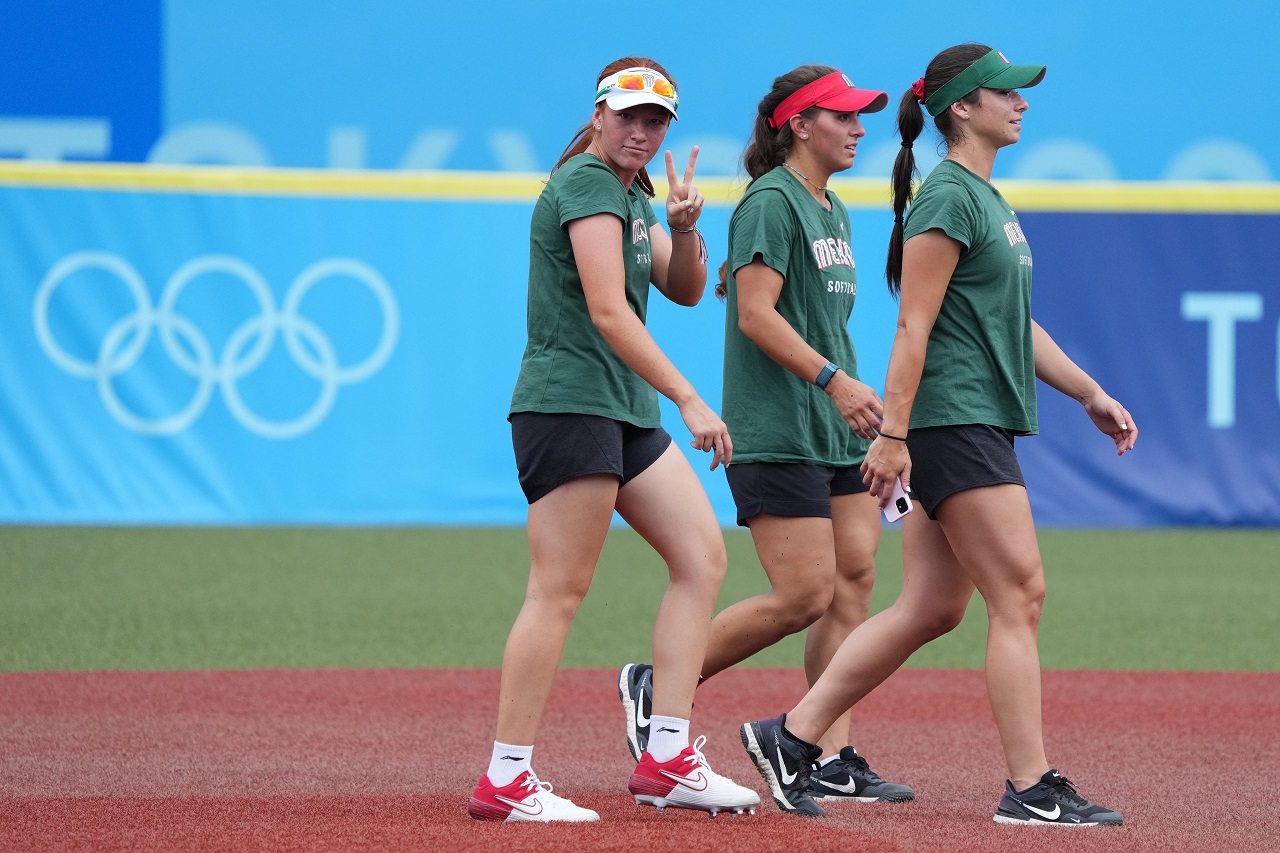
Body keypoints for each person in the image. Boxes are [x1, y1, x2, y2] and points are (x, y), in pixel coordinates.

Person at [739, 44, 1137, 826]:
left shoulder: (984, 198)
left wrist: (1089, 391)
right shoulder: (949, 198)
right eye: (1006, 94)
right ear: (963, 107)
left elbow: (1012, 323)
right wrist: (893, 434)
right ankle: (1031, 786)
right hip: (955, 420)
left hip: (971, 415)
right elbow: (912, 327)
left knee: (929, 607)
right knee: (1020, 591)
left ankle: (791, 737)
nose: (1021, 104)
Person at [467, 57, 759, 823]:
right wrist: (689, 396)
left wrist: (689, 232)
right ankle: (507, 774)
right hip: (569, 405)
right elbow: (607, 311)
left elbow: (685, 288)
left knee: (701, 558)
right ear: (598, 114)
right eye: (628, 114)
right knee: (558, 590)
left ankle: (666, 754)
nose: (641, 129)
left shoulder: (633, 194)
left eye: (656, 119)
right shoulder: (589, 184)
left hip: (622, 411)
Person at [619, 65, 914, 814]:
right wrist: (835, 380)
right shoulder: (770, 202)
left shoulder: (834, 209)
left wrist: (856, 405)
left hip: (834, 428)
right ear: (799, 125)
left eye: (860, 117)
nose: (857, 128)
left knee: (853, 582)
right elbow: (755, 313)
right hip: (778, 426)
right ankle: (661, 682)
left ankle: (827, 752)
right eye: (842, 116)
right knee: (804, 592)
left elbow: (823, 322)